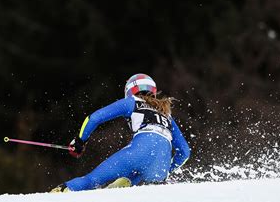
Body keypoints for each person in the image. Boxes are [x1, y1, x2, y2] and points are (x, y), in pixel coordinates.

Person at [50, 73, 190, 192]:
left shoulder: (132, 102)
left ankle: (59, 193)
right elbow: (184, 152)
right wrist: (167, 170)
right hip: (160, 167)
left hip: (138, 152)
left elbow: (93, 118)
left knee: (91, 181)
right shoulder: (167, 115)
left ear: (130, 90)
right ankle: (125, 183)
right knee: (134, 177)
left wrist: (80, 141)